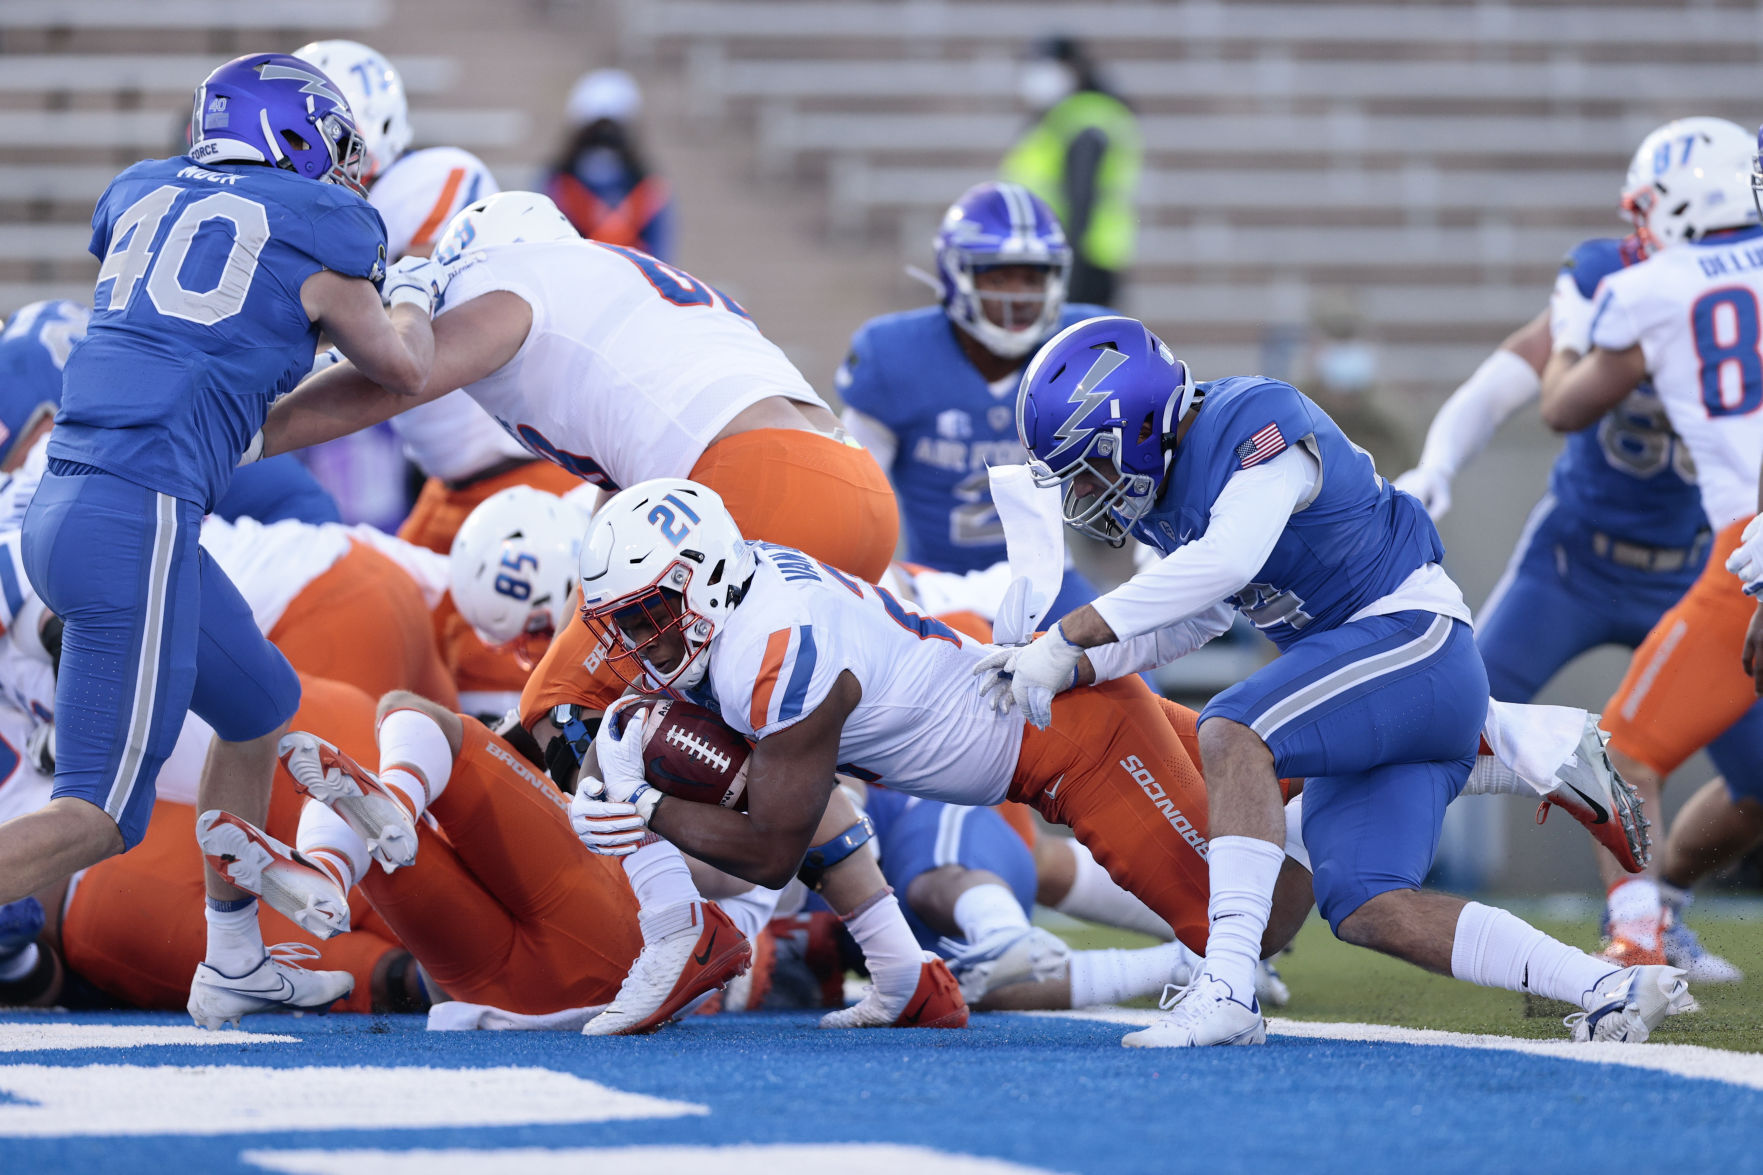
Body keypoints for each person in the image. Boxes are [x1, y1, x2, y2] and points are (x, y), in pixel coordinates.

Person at [987, 314, 1684, 1047]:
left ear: (1134, 423)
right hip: (1367, 693)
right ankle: (1607, 984)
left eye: (1089, 466)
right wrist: (1069, 661)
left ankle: (1225, 989)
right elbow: (1191, 618)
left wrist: (1071, 632)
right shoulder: (1168, 494)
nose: (1085, 493)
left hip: (1414, 644)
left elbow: (1225, 560)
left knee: (1234, 728)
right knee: (1363, 905)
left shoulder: (1253, 419)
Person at [0, 53, 443, 1029]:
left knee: (260, 707)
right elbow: (403, 365)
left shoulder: (139, 193)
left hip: (72, 501)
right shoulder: (324, 225)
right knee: (97, 817)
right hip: (139, 513)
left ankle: (233, 956)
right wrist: (417, 287)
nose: (343, 170)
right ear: (290, 135)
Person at [1394, 120, 1763, 980]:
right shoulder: (1612, 270)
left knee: (1751, 793)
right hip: (1577, 560)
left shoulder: (1648, 286)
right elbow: (1505, 383)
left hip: (1701, 562)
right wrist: (1438, 462)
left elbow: (1563, 397)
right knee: (1438, 719)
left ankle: (1653, 915)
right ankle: (1300, 866)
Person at [1541, 116, 1763, 977]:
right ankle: (1657, 918)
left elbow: (1562, 408)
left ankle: (1635, 939)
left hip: (1745, 544)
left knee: (1622, 754)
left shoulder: (1650, 286)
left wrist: (1569, 328)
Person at [837, 181, 1103, 620]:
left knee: (1134, 680)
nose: (1018, 296)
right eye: (999, 276)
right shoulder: (894, 355)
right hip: (928, 585)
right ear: (956, 274)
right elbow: (852, 495)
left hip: (1050, 581)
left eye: (1031, 278)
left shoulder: (1084, 347)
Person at [1001, 36, 1140, 305]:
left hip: (1079, 263)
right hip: (1058, 260)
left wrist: (1069, 279)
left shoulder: (1086, 120)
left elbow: (1082, 201)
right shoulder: (1059, 118)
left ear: (1072, 67)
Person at [543, 69, 673, 261]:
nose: (604, 137)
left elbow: (660, 252)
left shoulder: (648, 189)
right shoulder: (558, 183)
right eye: (595, 129)